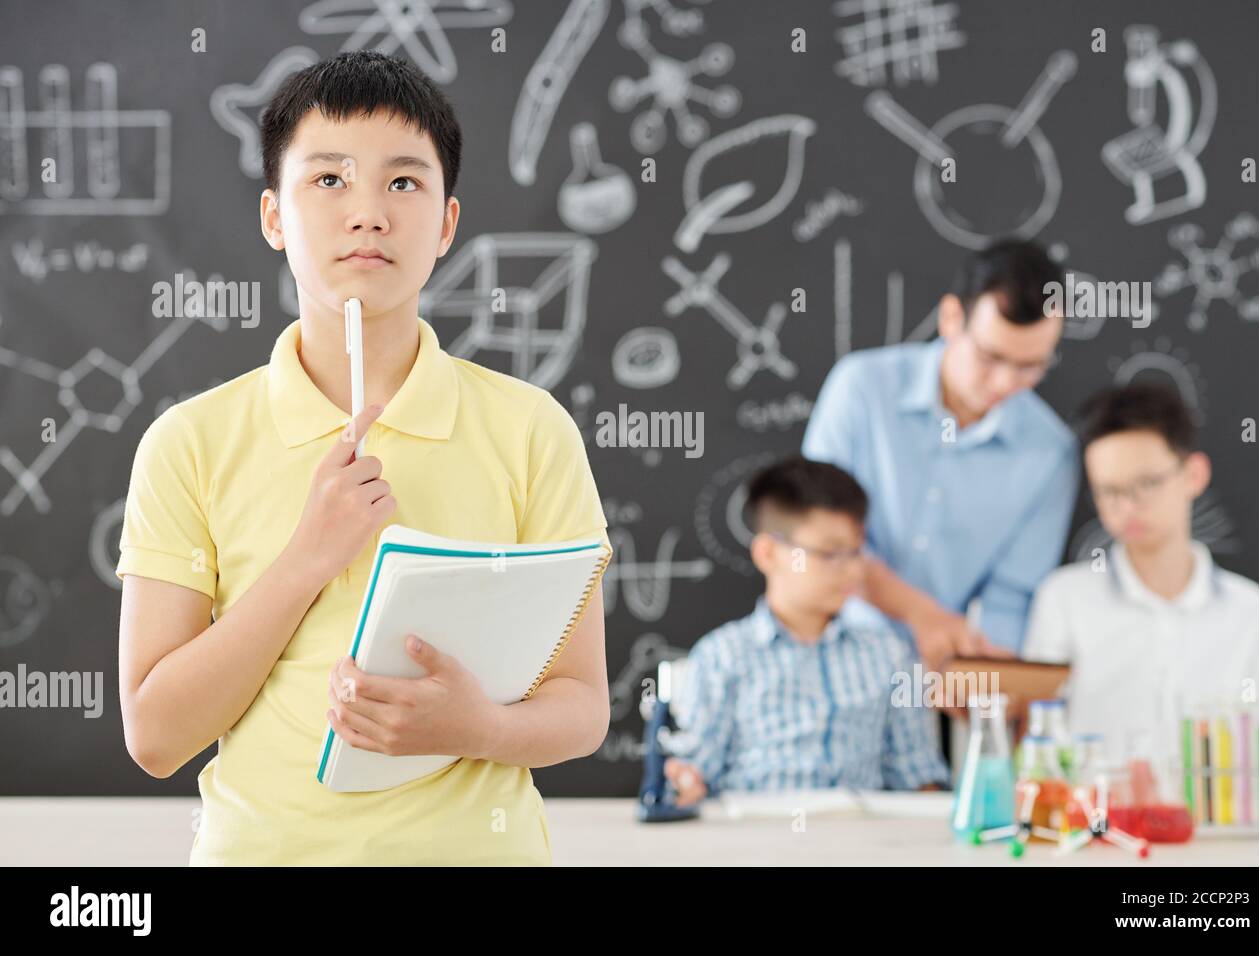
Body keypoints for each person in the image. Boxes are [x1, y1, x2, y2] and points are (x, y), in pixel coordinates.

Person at [116, 51, 610, 865]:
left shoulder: (530, 430)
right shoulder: (190, 442)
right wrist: (307, 559)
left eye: (404, 183)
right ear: (274, 217)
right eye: (330, 180)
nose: (368, 214)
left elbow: (584, 704)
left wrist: (479, 728)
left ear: (447, 224)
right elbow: (157, 736)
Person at [802, 239, 1078, 666]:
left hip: (950, 681)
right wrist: (923, 617)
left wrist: (981, 670)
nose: (1005, 383)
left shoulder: (1050, 454)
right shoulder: (861, 390)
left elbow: (1012, 598)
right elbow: (818, 536)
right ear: (952, 318)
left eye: (1030, 366)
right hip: (825, 658)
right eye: (990, 357)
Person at [1023, 383, 1259, 762]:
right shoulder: (1064, 600)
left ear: (1193, 474)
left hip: (1217, 820)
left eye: (1147, 484)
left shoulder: (1254, 616)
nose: (1128, 507)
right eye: (1109, 492)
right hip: (1098, 819)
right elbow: (1041, 737)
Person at [665, 456, 948, 806]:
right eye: (829, 554)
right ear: (768, 554)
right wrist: (685, 781)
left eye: (856, 552)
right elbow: (695, 771)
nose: (852, 573)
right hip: (754, 846)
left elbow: (918, 778)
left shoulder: (890, 656)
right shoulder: (723, 655)